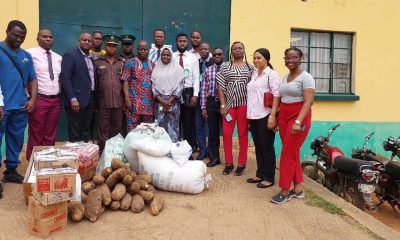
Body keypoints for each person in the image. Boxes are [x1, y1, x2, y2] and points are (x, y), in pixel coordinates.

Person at [271, 47, 315, 204]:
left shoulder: (306, 77)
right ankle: (297, 189)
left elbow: (308, 102)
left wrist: (298, 122)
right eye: (287, 58)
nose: (290, 60)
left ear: (300, 58)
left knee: (287, 153)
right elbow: (281, 98)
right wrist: (275, 117)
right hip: (283, 116)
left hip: (298, 117)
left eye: (294, 57)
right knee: (292, 152)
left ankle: (285, 190)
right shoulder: (285, 77)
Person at [0, 20, 38, 184]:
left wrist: (33, 100)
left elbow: (33, 79)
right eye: (15, 35)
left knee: (15, 140)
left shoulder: (26, 56)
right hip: (2, 107)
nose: (19, 39)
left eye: (22, 36)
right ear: (7, 31)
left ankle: (11, 171)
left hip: (20, 107)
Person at [217, 41, 253, 176]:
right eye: (235, 48)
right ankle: (229, 163)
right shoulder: (226, 66)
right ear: (231, 52)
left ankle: (241, 164)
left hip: (244, 105)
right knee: (226, 133)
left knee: (243, 135)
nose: (238, 50)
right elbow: (220, 86)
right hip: (229, 106)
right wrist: (222, 105)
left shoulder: (250, 68)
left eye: (240, 48)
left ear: (244, 51)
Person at [26, 29, 62, 161]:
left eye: (51, 37)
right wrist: (29, 97)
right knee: (36, 132)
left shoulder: (58, 58)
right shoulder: (29, 54)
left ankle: (47, 161)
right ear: (37, 38)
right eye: (45, 36)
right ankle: (33, 163)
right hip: (39, 99)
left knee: (50, 133)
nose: (48, 39)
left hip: (55, 100)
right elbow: (26, 77)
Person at [246, 48, 280, 188]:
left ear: (267, 59)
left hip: (266, 115)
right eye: (254, 58)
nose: (255, 60)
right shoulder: (254, 73)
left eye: (259, 58)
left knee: (266, 146)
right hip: (253, 115)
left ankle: (269, 177)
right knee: (258, 146)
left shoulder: (271, 75)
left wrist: (273, 116)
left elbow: (277, 95)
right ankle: (260, 173)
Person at [60, 32, 97, 142]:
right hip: (76, 100)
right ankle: (75, 157)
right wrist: (72, 98)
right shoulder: (70, 55)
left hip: (89, 99)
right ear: (78, 42)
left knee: (85, 131)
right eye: (84, 40)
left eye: (89, 41)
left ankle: (83, 157)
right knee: (75, 132)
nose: (87, 42)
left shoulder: (91, 58)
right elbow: (65, 78)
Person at [95, 35, 125, 152]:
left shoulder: (122, 62)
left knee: (117, 129)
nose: (111, 48)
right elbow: (95, 83)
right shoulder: (98, 62)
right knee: (103, 130)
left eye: (114, 46)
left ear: (117, 48)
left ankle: (115, 155)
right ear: (105, 46)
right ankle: (103, 155)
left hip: (118, 102)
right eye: (109, 45)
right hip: (103, 102)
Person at [173, 33, 199, 156]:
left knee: (188, 123)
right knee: (175, 121)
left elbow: (195, 77)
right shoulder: (171, 56)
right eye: (180, 41)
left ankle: (188, 150)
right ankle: (176, 148)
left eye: (184, 41)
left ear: (187, 42)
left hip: (188, 92)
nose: (182, 43)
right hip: (174, 93)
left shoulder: (193, 58)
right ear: (176, 42)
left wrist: (195, 95)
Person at [152, 47, 185, 142]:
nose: (165, 57)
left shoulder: (178, 69)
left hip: (173, 103)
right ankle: (160, 149)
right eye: (163, 55)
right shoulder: (156, 69)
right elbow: (153, 86)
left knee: (173, 126)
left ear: (171, 56)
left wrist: (169, 101)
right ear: (160, 56)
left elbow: (180, 86)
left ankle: (173, 148)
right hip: (159, 103)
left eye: (168, 55)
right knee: (160, 125)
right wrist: (162, 102)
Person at [121, 40, 155, 131]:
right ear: (137, 50)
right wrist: (127, 99)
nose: (143, 51)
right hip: (133, 103)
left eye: (145, 49)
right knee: (132, 130)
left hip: (149, 105)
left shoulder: (152, 64)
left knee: (147, 131)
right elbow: (125, 81)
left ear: (149, 50)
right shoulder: (130, 62)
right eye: (140, 49)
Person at [201, 47, 224, 167]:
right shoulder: (208, 70)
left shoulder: (228, 69)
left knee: (226, 132)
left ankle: (229, 159)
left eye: (219, 54)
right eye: (215, 55)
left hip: (225, 104)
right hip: (211, 103)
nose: (217, 56)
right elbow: (204, 89)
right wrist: (203, 107)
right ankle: (215, 157)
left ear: (223, 55)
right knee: (213, 132)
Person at [195, 42, 213, 160]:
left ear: (209, 50)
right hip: (197, 98)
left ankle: (210, 150)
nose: (203, 51)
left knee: (211, 126)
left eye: (205, 49)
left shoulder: (214, 63)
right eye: (201, 49)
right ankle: (202, 150)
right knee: (198, 125)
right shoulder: (195, 63)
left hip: (211, 99)